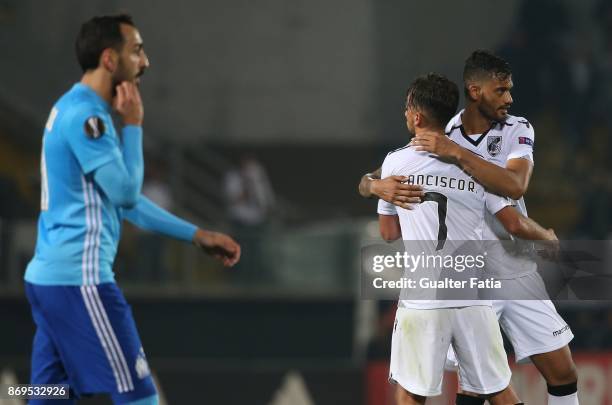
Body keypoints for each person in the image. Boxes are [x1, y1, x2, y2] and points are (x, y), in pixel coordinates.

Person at [24, 14, 240, 405]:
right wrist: (135, 126)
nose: (146, 61)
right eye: (137, 50)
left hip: (50, 281)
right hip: (82, 282)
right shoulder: (89, 118)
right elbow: (125, 193)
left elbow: (125, 202)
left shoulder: (70, 107)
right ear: (110, 59)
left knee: (48, 397)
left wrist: (195, 235)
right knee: (140, 395)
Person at [361, 51, 578, 405]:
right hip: (470, 272)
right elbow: (386, 173)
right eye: (500, 91)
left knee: (562, 372)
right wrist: (373, 185)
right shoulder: (442, 132)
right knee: (479, 386)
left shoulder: (514, 128)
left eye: (509, 90)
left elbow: (515, 186)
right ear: (475, 91)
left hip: (512, 266)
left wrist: (457, 154)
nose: (509, 98)